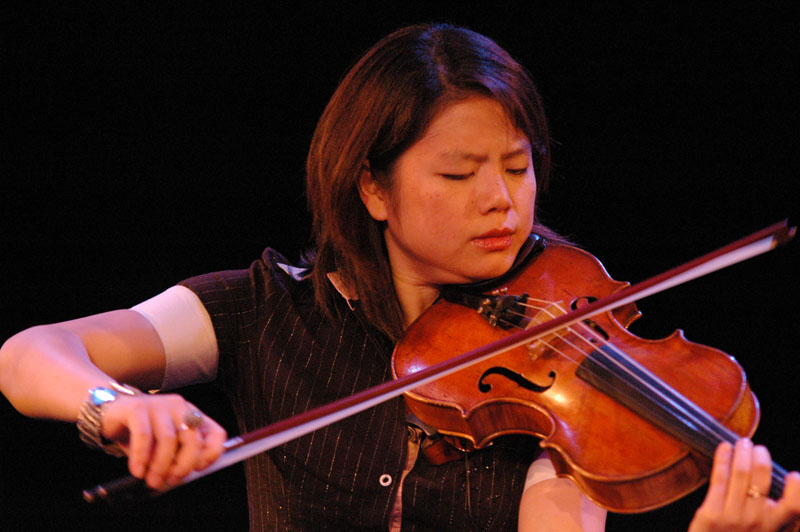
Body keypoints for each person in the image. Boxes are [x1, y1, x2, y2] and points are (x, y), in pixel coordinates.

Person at [1, 23, 798, 532]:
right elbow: (29, 354)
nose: (503, 202)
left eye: (518, 168)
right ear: (373, 188)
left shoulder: (555, 387)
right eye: (459, 175)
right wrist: (119, 408)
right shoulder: (267, 311)